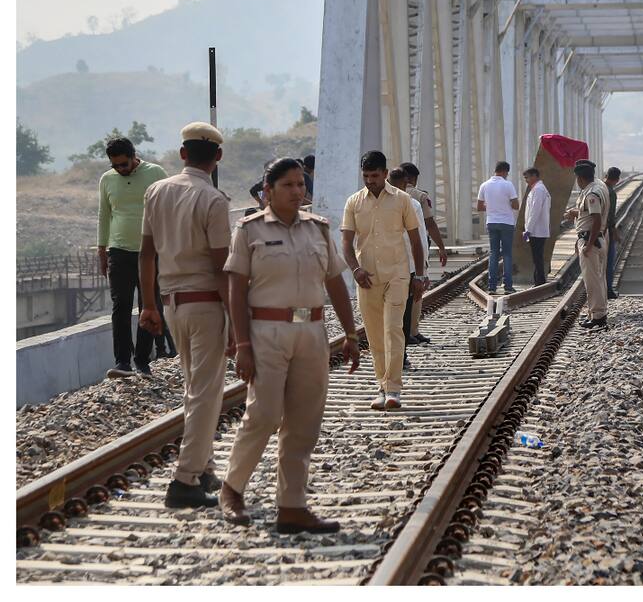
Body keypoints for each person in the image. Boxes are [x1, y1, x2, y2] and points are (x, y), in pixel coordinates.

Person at [219, 157, 361, 532]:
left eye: (301, 184)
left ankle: (292, 506)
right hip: (266, 333)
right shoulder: (249, 231)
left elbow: (335, 283)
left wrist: (350, 334)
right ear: (268, 191)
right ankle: (232, 488)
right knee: (263, 415)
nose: (299, 191)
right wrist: (242, 343)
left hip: (311, 333)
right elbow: (236, 288)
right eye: (289, 185)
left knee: (304, 422)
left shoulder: (318, 229)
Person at [137, 122, 232, 509]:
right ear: (218, 157)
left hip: (172, 303)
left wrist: (147, 305)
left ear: (182, 154)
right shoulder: (213, 201)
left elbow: (146, 253)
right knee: (206, 394)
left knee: (195, 386)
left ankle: (204, 466)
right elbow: (223, 267)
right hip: (207, 304)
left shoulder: (155, 191)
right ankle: (185, 480)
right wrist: (238, 322)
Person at [341, 150, 426, 412]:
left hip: (397, 275)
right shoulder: (354, 202)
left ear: (385, 174)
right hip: (366, 278)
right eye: (366, 176)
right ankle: (381, 386)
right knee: (375, 336)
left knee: (393, 330)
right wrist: (355, 269)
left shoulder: (403, 201)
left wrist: (420, 275)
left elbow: (415, 240)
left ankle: (393, 389)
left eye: (374, 176)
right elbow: (346, 242)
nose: (370, 181)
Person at [98, 136, 173, 377]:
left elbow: (169, 209)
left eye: (124, 164)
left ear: (134, 157)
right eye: (115, 166)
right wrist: (101, 248)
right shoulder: (107, 180)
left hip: (150, 252)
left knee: (148, 304)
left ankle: (142, 360)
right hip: (119, 251)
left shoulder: (156, 173)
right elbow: (104, 214)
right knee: (120, 306)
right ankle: (122, 362)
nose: (121, 170)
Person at [400, 161, 448, 345]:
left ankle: (403, 331)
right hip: (417, 248)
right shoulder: (419, 197)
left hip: (396, 251)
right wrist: (441, 247)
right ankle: (412, 330)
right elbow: (430, 224)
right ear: (413, 178)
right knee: (417, 291)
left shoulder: (389, 195)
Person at [388, 168, 430, 368]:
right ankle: (400, 356)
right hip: (407, 268)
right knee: (402, 315)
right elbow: (421, 238)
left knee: (392, 315)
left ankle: (394, 356)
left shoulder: (381, 203)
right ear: (406, 183)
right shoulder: (413, 204)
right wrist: (423, 273)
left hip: (392, 268)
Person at [565, 159, 609, 330]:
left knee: (592, 281)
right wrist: (577, 213)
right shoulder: (598, 186)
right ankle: (597, 312)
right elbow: (591, 215)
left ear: (580, 178)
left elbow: (596, 219)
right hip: (597, 238)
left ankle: (598, 316)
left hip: (592, 240)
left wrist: (589, 245)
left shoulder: (592, 194)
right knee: (599, 279)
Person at [476, 161, 520, 294]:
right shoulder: (508, 185)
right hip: (507, 223)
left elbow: (479, 207)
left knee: (493, 253)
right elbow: (516, 205)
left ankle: (492, 287)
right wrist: (504, 203)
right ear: (505, 171)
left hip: (492, 222)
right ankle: (507, 286)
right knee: (507, 254)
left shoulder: (484, 185)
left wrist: (491, 205)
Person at [522, 168, 551, 286]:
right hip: (538, 229)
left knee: (537, 257)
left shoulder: (538, 190)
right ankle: (538, 280)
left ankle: (540, 281)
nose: (526, 180)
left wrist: (528, 230)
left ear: (534, 176)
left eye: (527, 177)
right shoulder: (538, 189)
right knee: (536, 257)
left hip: (536, 230)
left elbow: (535, 211)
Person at [604, 167, 621, 299]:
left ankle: (601, 288)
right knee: (609, 262)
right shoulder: (611, 193)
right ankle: (608, 290)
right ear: (617, 179)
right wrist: (614, 232)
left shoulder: (599, 188)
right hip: (606, 232)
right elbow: (610, 216)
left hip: (594, 230)